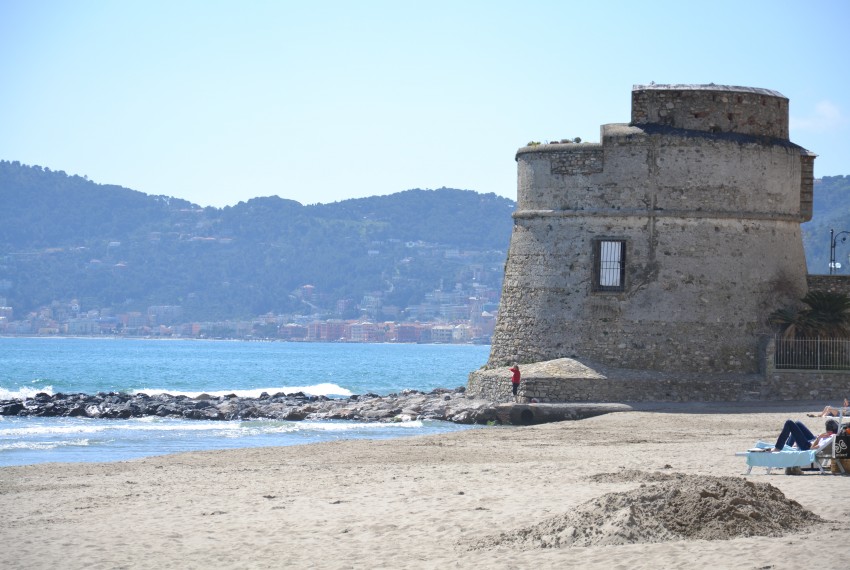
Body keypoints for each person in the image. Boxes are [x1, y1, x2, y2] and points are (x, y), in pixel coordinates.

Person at [772, 418, 838, 451]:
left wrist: (819, 438)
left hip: (807, 446)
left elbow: (812, 448)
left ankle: (778, 448)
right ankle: (787, 446)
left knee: (789, 423)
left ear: (830, 432)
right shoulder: (832, 436)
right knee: (797, 423)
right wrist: (818, 437)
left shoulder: (828, 440)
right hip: (813, 440)